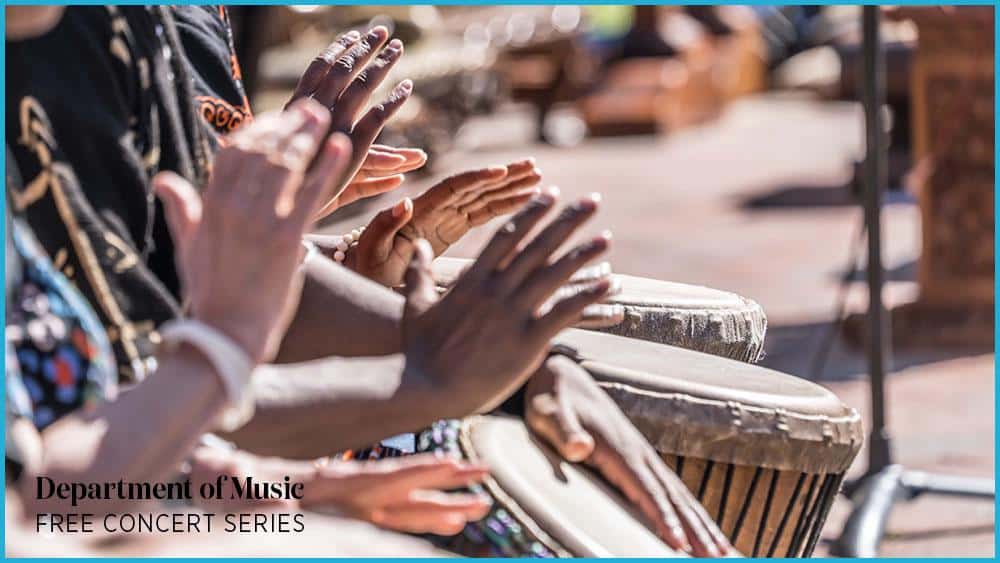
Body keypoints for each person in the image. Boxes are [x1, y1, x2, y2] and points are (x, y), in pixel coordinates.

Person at [6, 6, 731, 556]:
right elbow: (49, 494)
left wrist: (308, 246)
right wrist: (417, 371)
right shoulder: (75, 33)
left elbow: (150, 289)